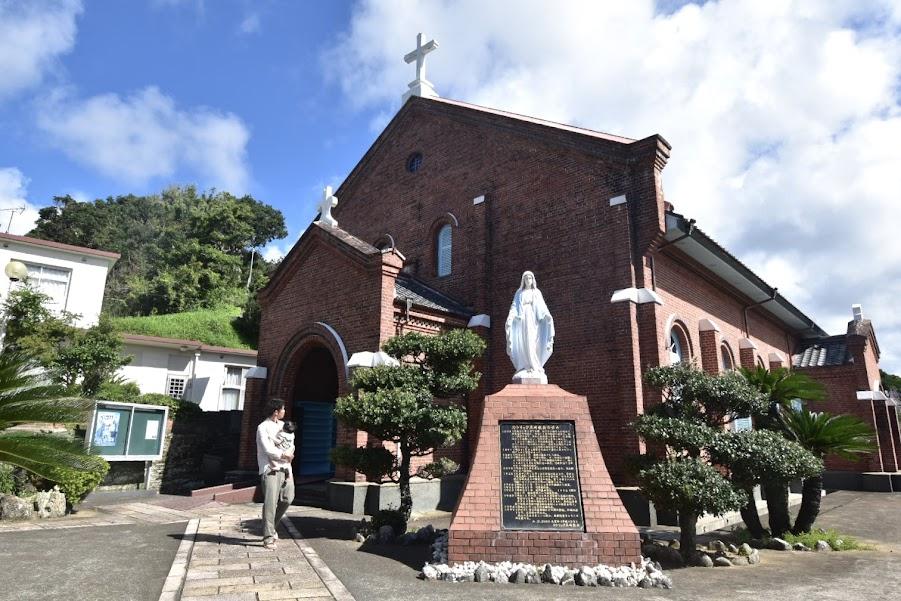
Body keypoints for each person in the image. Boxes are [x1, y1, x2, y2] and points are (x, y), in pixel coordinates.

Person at [256, 398, 295, 549]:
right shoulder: (263, 427)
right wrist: (283, 455)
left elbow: (291, 442)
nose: (285, 411)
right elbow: (268, 449)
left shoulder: (284, 426)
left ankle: (270, 527)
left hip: (286, 468)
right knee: (271, 502)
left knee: (288, 498)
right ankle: (268, 537)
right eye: (283, 409)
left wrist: (290, 454)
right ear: (276, 412)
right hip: (270, 469)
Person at [505, 270, 555, 383]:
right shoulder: (519, 293)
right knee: (524, 342)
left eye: (530, 278)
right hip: (522, 321)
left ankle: (535, 365)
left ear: (533, 280)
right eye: (526, 278)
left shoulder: (536, 292)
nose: (528, 280)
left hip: (533, 320)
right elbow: (514, 306)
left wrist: (547, 315)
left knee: (532, 341)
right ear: (523, 280)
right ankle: (525, 365)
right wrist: (511, 316)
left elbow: (542, 306)